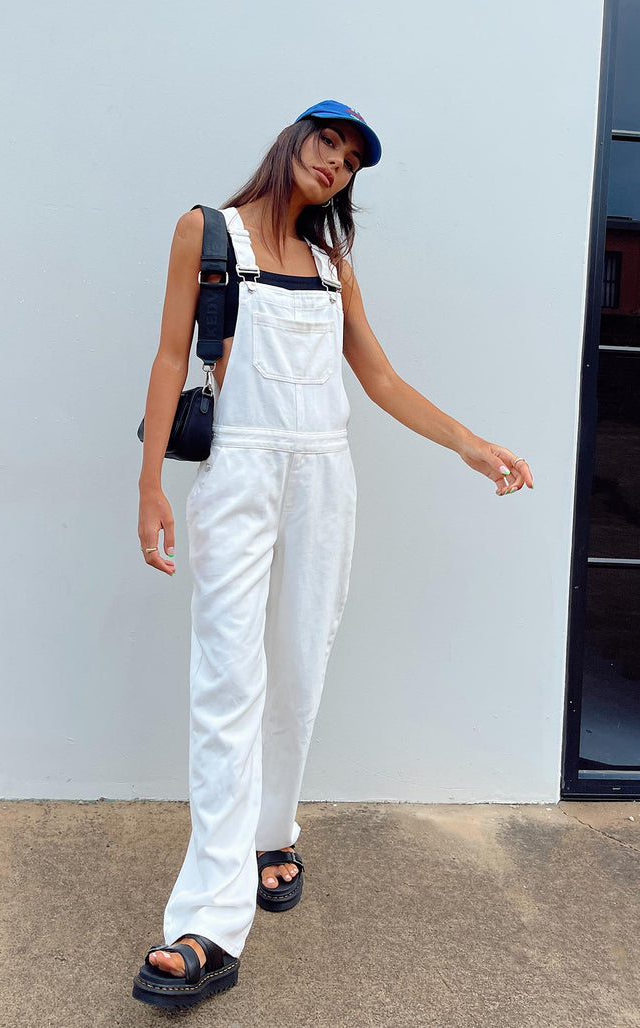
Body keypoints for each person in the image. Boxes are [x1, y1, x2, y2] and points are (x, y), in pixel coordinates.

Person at [132, 100, 534, 1009]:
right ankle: (206, 923)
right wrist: (149, 483)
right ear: (293, 140)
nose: (335, 164)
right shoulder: (207, 232)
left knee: (299, 668)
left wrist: (472, 446)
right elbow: (167, 358)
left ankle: (272, 831)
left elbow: (378, 376)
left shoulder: (330, 266)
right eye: (328, 143)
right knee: (226, 682)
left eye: (350, 160)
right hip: (238, 472)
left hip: (323, 477)